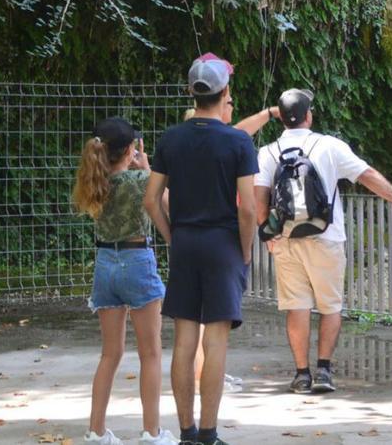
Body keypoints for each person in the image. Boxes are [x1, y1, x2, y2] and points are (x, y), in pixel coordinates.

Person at [253, 88, 392, 394]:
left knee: (297, 308)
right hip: (327, 237)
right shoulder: (329, 146)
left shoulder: (266, 152)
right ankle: (324, 372)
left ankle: (301, 374)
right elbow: (367, 174)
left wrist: (268, 233)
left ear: (280, 117)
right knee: (330, 307)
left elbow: (259, 202)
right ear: (309, 116)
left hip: (287, 240)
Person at [143, 55, 258, 445]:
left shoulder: (171, 138)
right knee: (216, 339)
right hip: (223, 242)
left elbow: (151, 198)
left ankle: (187, 433)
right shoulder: (238, 141)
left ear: (192, 93)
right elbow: (249, 210)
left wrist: (171, 234)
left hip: (187, 242)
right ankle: (209, 433)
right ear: (224, 92)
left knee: (184, 337)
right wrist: (244, 251)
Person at [72, 118, 176, 445]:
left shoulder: (93, 181)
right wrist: (148, 169)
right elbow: (170, 205)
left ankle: (96, 431)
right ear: (131, 150)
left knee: (109, 354)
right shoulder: (140, 180)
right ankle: (152, 433)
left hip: (104, 264)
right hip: (137, 261)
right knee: (150, 354)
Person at [180, 99, 281, 392]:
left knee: (200, 319)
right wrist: (247, 247)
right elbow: (240, 132)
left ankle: (205, 375)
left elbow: (240, 130)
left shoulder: (202, 147)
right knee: (211, 320)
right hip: (220, 241)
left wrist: (266, 113)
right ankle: (205, 376)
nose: (232, 106)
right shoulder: (220, 144)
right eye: (228, 102)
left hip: (195, 240)